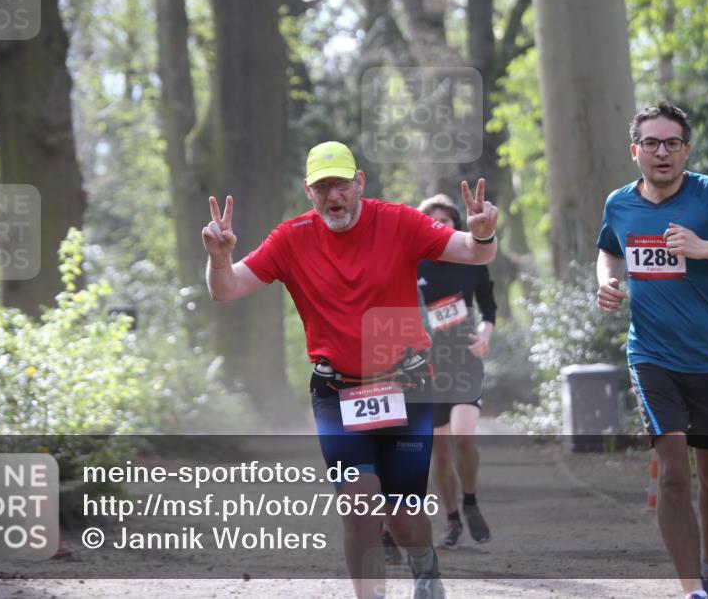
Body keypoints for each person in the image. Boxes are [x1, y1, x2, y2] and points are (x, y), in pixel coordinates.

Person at [202, 141, 499, 599]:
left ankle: (424, 568)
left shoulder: (398, 221)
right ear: (308, 191)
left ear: (360, 181)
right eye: (322, 187)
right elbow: (226, 290)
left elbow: (473, 253)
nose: (333, 196)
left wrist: (481, 233)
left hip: (406, 383)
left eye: (341, 183)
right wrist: (219, 259)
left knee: (401, 511)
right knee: (359, 504)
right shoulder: (290, 238)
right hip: (337, 391)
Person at [595, 102, 708, 599]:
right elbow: (609, 248)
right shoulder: (619, 203)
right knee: (674, 471)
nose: (662, 152)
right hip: (652, 356)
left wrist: (705, 248)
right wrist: (607, 282)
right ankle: (692, 590)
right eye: (652, 143)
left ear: (686, 150)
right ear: (635, 151)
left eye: (672, 143)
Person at [416, 194, 497, 549]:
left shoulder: (471, 258)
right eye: (432, 222)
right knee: (441, 452)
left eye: (446, 221)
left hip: (465, 360)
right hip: (427, 367)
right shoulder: (413, 263)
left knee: (463, 439)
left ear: (455, 225)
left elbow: (489, 307)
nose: (440, 227)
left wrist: (484, 336)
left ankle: (471, 501)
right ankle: (451, 519)